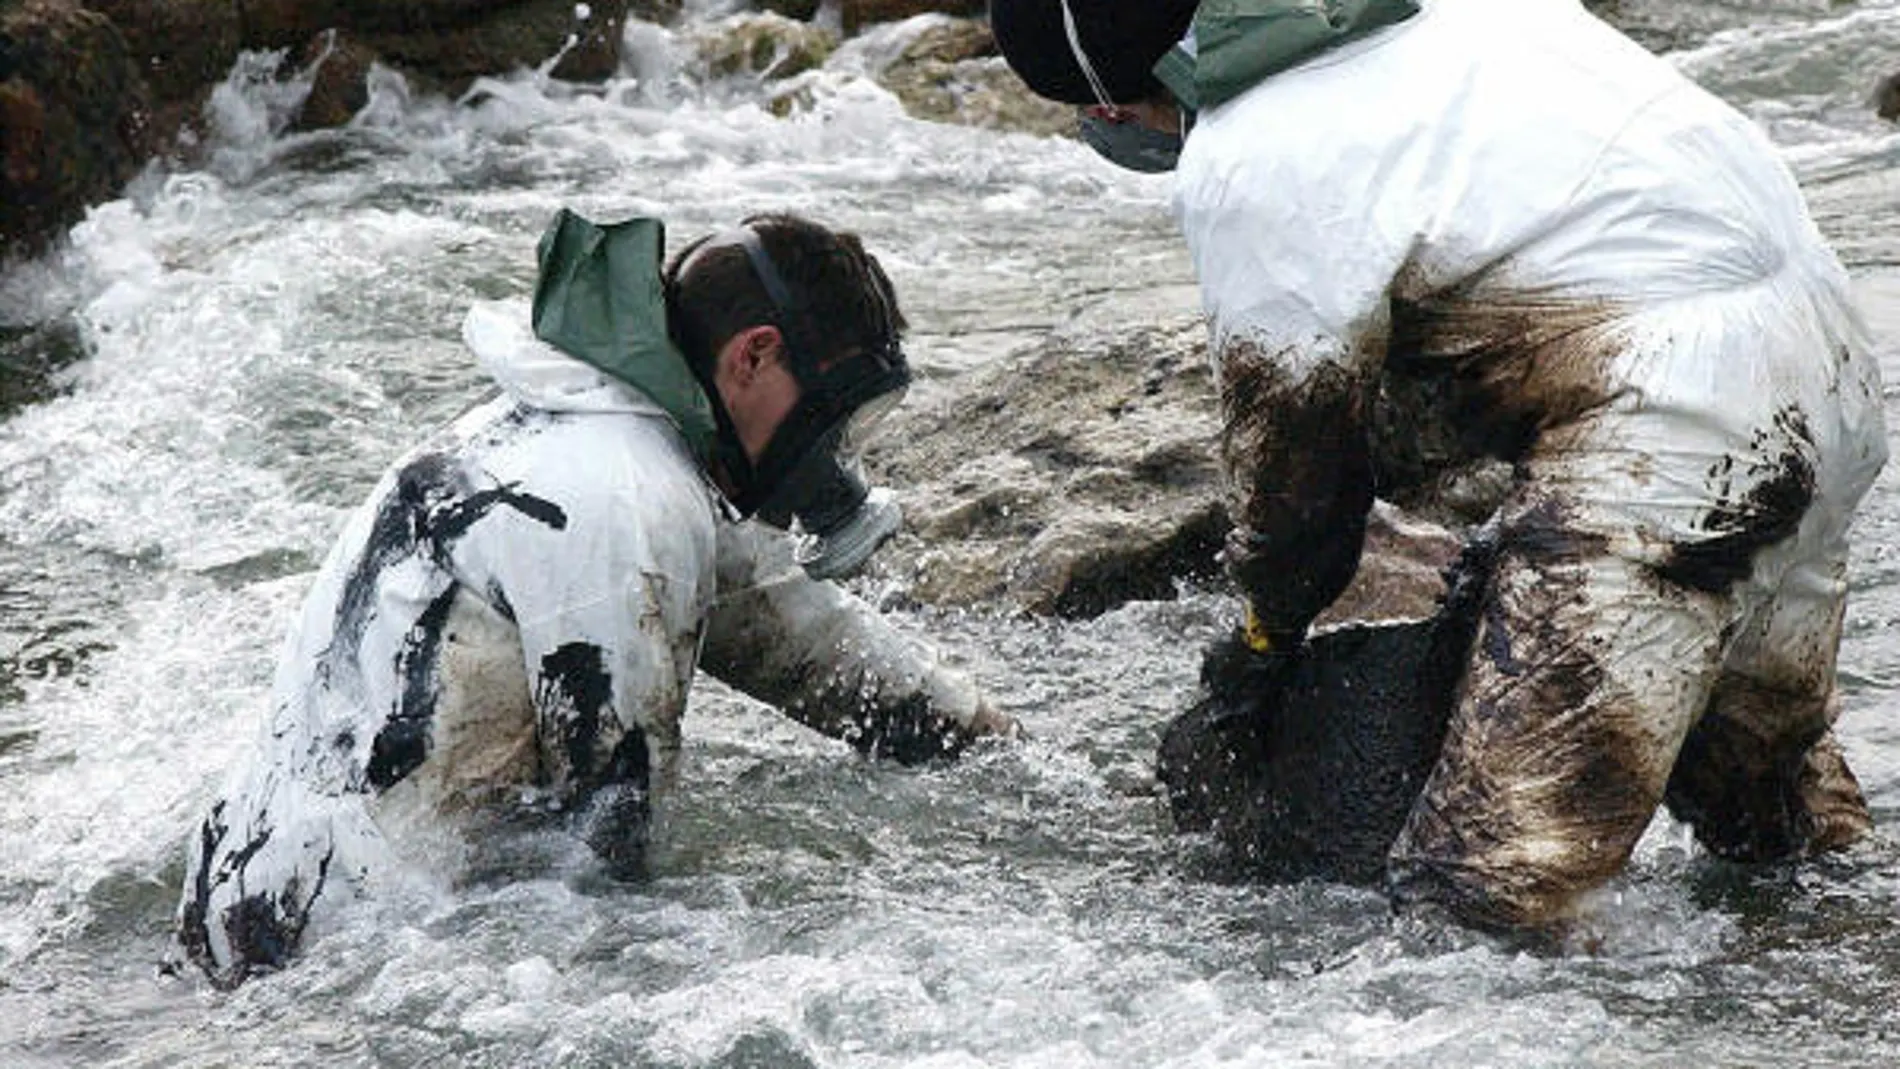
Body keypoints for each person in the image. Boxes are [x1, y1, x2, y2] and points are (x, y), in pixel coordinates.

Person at [991, 0, 1889, 931]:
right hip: (1832, 375)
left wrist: (1262, 641)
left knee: (1480, 899)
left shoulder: (1249, 158)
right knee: (1778, 831)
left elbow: (1297, 478)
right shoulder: (1460, 15)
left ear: (1122, 95)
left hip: (1669, 429)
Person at [172, 208, 1018, 987]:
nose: (830, 452)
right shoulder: (626, 497)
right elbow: (608, 831)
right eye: (830, 416)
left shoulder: (591, 429)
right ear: (753, 355)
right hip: (344, 965)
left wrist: (989, 741)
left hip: (254, 910)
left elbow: (783, 622)